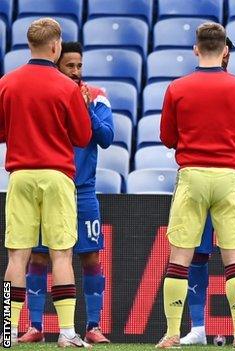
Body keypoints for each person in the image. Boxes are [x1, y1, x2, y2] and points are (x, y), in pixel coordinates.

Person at [155, 22, 235, 349]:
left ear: (196, 49)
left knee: (180, 258)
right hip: (229, 177)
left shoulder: (177, 87)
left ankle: (173, 333)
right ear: (225, 50)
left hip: (192, 176)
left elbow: (167, 138)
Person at [1, 18, 92, 347]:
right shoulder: (66, 86)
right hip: (56, 176)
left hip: (21, 175)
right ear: (56, 47)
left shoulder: (7, 83)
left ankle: (8, 331)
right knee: (62, 255)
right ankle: (66, 332)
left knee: (17, 257)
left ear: (29, 45)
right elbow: (82, 136)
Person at [17, 41, 114, 345]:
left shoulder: (96, 96)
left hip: (82, 190)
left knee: (90, 257)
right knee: (36, 256)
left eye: (79, 66)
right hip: (50, 185)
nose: (75, 72)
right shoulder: (51, 94)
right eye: (69, 65)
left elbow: (107, 137)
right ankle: (34, 326)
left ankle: (93, 326)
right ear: (57, 63)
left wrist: (87, 109)